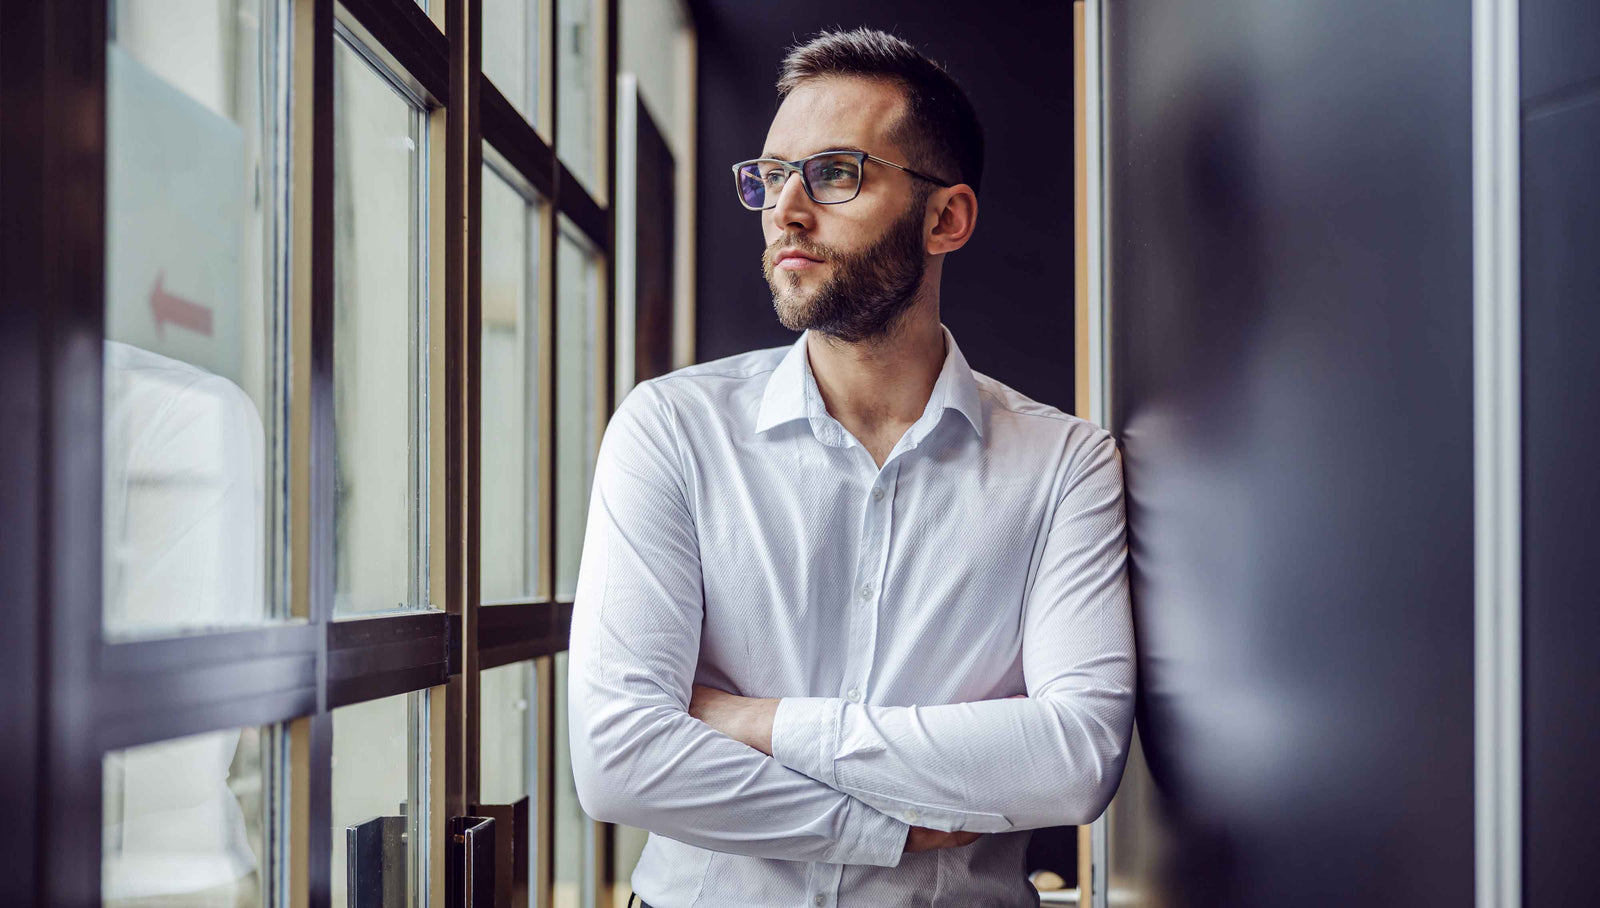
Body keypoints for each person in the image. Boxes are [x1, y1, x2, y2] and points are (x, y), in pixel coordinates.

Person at [568, 26, 1135, 907]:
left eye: (835, 174)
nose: (786, 210)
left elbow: (1073, 762)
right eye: (770, 175)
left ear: (946, 218)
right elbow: (620, 763)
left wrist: (755, 721)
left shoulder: (1066, 466)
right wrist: (890, 830)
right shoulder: (669, 429)